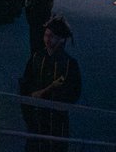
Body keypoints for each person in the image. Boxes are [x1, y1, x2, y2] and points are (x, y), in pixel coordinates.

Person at [19, 16, 82, 152]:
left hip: (56, 121)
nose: (47, 39)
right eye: (46, 35)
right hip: (36, 118)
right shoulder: (36, 57)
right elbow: (25, 83)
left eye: (52, 36)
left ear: (61, 40)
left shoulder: (69, 64)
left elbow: (74, 92)